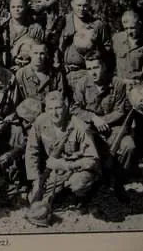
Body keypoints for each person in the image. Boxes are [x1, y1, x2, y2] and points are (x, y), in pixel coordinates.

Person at [25, 91, 100, 226]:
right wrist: (35, 180)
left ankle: (82, 199)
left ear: (65, 106)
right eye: (50, 109)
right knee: (36, 202)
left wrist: (64, 165)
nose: (54, 113)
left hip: (77, 170)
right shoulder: (41, 122)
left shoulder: (79, 126)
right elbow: (32, 151)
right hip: (54, 172)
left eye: (58, 108)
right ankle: (61, 194)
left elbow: (92, 160)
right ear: (45, 109)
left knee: (79, 183)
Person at [71, 52, 134, 200]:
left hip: (113, 129)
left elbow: (120, 110)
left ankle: (118, 183)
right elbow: (75, 108)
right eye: (89, 68)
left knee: (128, 146)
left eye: (96, 67)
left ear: (104, 67)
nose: (93, 72)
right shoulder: (82, 84)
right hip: (91, 130)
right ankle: (90, 186)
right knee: (85, 150)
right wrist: (93, 118)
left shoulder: (117, 84)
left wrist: (103, 120)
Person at [0, 0, 45, 69]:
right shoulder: (2, 28)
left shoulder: (36, 28)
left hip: (28, 68)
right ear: (9, 9)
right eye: (13, 7)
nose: (16, 9)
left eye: (20, 7)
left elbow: (40, 52)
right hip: (4, 68)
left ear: (25, 8)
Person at [112, 10, 143, 83]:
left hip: (138, 87)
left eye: (132, 28)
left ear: (139, 24)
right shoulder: (117, 39)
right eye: (126, 28)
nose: (129, 32)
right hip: (121, 86)